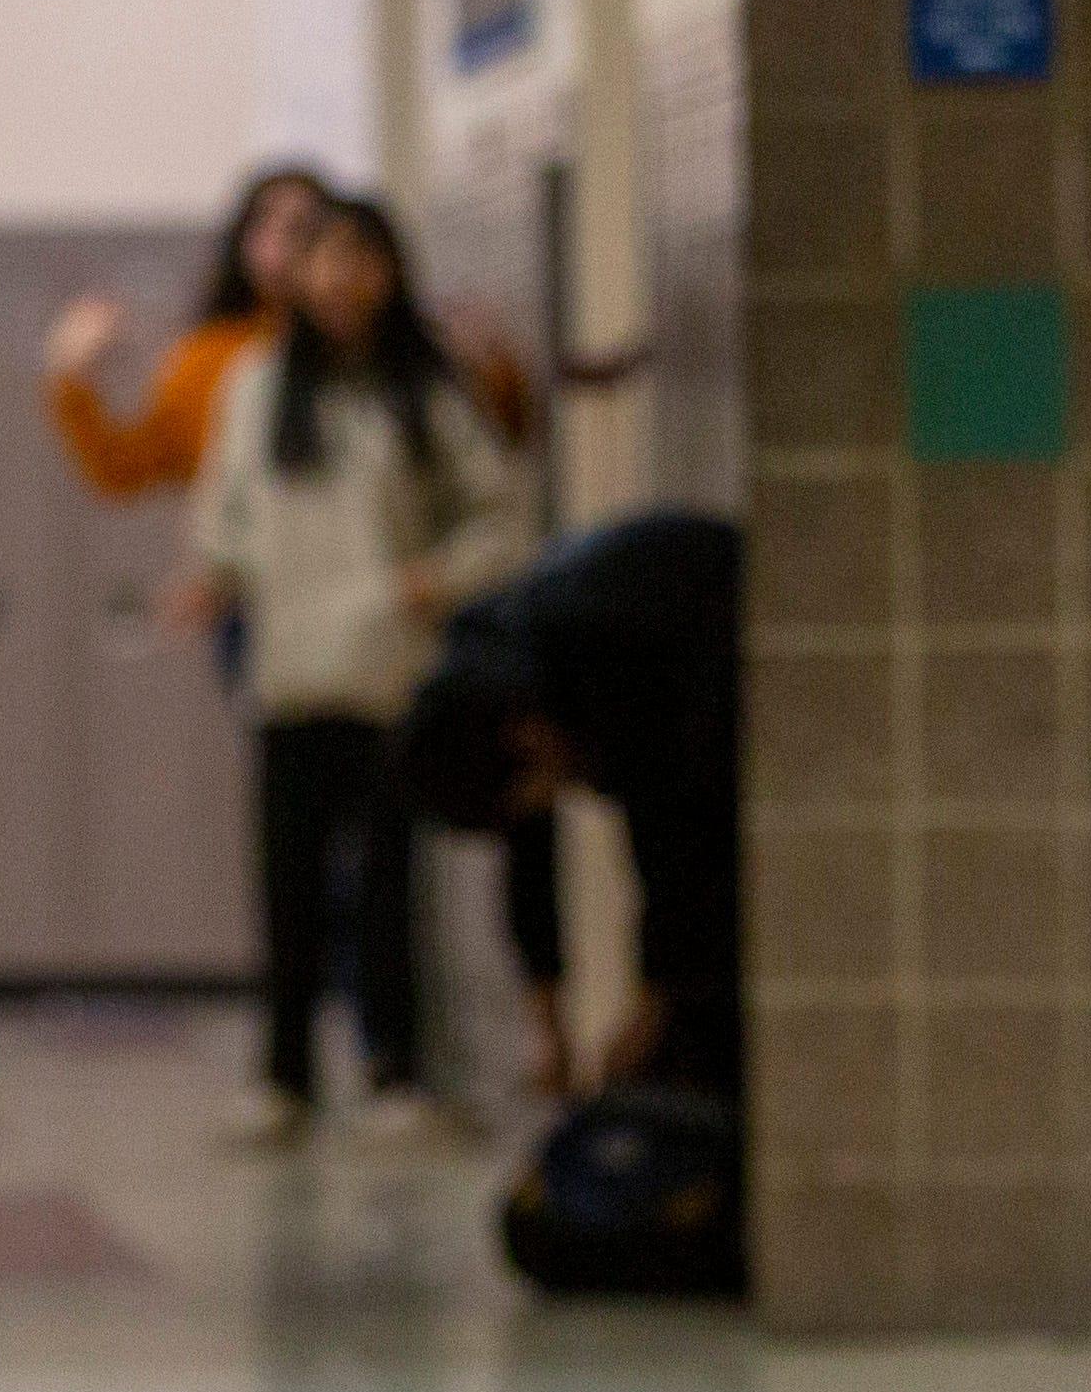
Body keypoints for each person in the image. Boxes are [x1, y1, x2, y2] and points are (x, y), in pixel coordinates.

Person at [179, 195, 529, 1144]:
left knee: (387, 885)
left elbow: (501, 513)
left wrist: (438, 577)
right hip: (291, 673)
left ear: (391, 272)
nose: (343, 278)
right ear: (294, 274)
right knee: (287, 889)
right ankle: (284, 1078)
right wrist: (215, 575)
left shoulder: (428, 386)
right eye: (325, 258)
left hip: (391, 672)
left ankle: (396, 1073)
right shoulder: (256, 385)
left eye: (363, 258)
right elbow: (227, 509)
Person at [397, 509, 743, 1111]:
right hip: (683, 660)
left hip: (732, 626)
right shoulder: (488, 694)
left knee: (698, 1019)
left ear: (525, 739)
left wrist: (653, 1004)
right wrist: (549, 1034)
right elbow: (528, 864)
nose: (555, 798)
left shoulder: (603, 653)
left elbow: (674, 844)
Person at [43, 160, 331, 505]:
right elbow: (126, 468)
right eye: (264, 222)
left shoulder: (357, 348)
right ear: (243, 240)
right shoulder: (210, 354)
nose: (280, 241)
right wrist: (73, 376)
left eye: (300, 227)